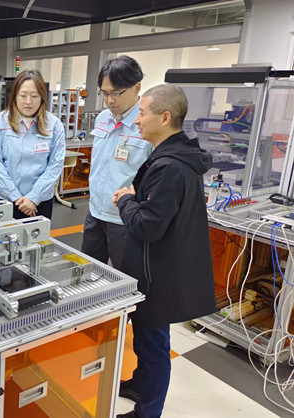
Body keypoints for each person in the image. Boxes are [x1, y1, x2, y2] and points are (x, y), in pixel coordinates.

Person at [112, 84, 216, 418]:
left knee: (154, 346)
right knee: (146, 340)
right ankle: (140, 385)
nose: (137, 120)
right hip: (157, 267)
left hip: (156, 276)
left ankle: (148, 412)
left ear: (165, 117)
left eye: (142, 113)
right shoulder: (173, 157)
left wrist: (125, 201)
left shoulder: (170, 167)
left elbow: (147, 226)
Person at [82, 56, 153, 270]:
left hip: (125, 219)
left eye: (116, 93)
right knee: (88, 273)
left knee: (126, 277)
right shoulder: (103, 118)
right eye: (105, 93)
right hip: (95, 212)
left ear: (136, 87)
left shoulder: (147, 124)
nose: (110, 100)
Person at [0, 70, 65, 220]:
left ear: (42, 97)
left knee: (36, 236)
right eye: (23, 95)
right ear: (15, 96)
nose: (28, 101)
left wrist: (33, 198)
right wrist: (16, 197)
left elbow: (55, 164)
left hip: (39, 202)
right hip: (5, 199)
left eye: (34, 96)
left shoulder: (54, 125)